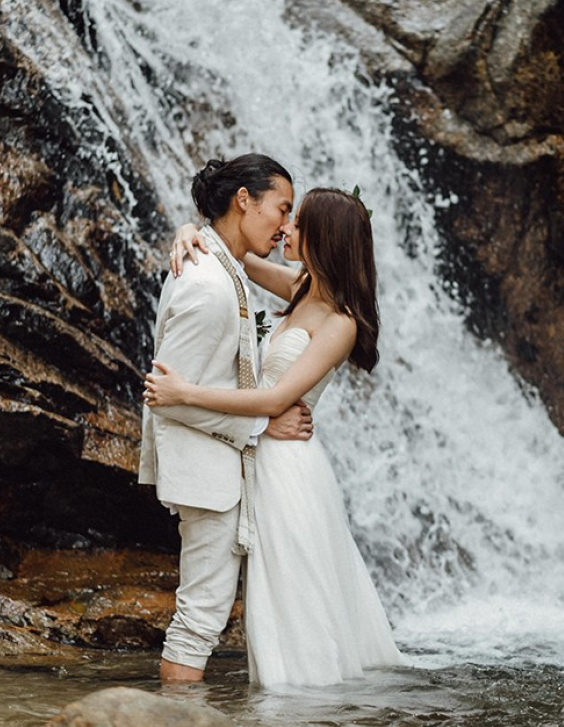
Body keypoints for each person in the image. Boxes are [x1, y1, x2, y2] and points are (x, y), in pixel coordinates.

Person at [144, 187, 404, 687]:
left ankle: (303, 709)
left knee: (292, 597)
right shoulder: (303, 289)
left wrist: (185, 392)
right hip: (256, 449)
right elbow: (229, 255)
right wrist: (186, 233)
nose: (285, 228)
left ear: (324, 236)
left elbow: (272, 399)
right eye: (288, 216)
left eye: (298, 221)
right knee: (270, 595)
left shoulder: (340, 323)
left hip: (289, 469)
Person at [139, 154, 315, 685]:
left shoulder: (223, 267)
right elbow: (167, 395)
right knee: (201, 619)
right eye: (281, 208)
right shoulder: (208, 285)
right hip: (207, 474)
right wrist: (264, 425)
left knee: (204, 615)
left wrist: (187, 226)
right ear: (244, 200)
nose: (286, 224)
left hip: (220, 468)